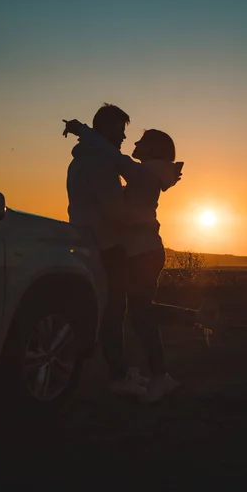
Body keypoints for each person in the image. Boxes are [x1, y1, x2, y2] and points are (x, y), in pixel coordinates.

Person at [64, 116, 219, 403]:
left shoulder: (144, 174)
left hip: (143, 252)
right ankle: (188, 329)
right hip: (140, 252)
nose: (132, 142)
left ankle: (162, 376)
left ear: (153, 151)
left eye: (141, 141)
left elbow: (115, 158)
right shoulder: (147, 172)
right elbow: (115, 160)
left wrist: (83, 130)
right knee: (140, 311)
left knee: (140, 315)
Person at [66, 104, 150, 399]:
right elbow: (115, 212)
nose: (124, 139)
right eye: (120, 131)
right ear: (106, 131)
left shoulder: (83, 160)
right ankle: (118, 375)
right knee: (114, 311)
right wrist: (145, 219)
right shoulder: (98, 164)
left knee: (113, 309)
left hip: (92, 243)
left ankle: (121, 370)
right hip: (106, 246)